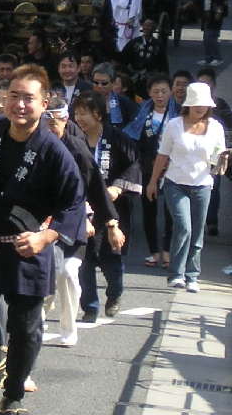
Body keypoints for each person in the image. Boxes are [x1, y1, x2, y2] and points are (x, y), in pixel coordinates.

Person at [0, 64, 85, 414]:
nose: (20, 105)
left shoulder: (53, 151)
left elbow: (73, 204)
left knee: (26, 329)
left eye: (29, 99)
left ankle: (13, 395)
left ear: (44, 104)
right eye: (14, 97)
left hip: (27, 248)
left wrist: (47, 237)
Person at [44, 95, 118, 346]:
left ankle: (68, 327)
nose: (48, 128)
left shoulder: (77, 149)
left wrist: (108, 223)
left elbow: (95, 188)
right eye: (44, 123)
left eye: (53, 122)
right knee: (44, 274)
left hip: (74, 219)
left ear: (65, 119)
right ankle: (36, 319)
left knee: (66, 272)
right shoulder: (34, 146)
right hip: (40, 221)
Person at [146, 83, 229, 293]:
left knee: (197, 231)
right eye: (196, 104)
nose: (200, 108)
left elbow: (218, 157)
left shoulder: (216, 127)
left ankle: (192, 275)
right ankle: (176, 273)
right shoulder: (174, 125)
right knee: (184, 227)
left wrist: (224, 159)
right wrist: (153, 181)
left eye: (204, 104)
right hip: (175, 183)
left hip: (202, 184)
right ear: (188, 104)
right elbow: (162, 155)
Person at [73, 92, 138, 323]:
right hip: (83, 207)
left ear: (98, 115)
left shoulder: (117, 138)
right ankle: (90, 306)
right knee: (84, 260)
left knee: (112, 258)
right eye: (76, 113)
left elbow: (133, 165)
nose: (79, 118)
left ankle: (115, 294)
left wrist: (118, 188)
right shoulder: (74, 140)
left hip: (113, 208)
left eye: (84, 113)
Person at [123, 74, 178, 269]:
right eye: (156, 92)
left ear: (170, 92)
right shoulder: (142, 114)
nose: (160, 95)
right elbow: (134, 141)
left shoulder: (178, 114)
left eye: (164, 91)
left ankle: (168, 250)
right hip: (147, 168)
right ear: (149, 94)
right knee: (149, 211)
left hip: (173, 168)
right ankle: (154, 251)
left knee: (171, 211)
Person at [196, 68, 232, 237]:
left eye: (207, 83)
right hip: (195, 154)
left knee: (213, 186)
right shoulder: (191, 106)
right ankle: (195, 222)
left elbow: (231, 128)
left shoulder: (221, 105)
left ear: (214, 85)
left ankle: (211, 221)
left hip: (215, 154)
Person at [190, 0, 230, 66]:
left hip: (215, 13)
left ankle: (217, 58)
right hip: (206, 13)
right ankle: (208, 58)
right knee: (206, 37)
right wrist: (191, 4)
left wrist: (219, 12)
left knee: (212, 36)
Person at [120, 18, 169, 95]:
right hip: (135, 77)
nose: (147, 28)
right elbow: (123, 59)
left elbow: (163, 64)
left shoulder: (158, 45)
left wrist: (165, 80)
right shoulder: (134, 42)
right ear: (142, 27)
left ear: (154, 28)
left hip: (151, 78)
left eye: (150, 26)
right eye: (145, 25)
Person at [91, 62, 138, 129]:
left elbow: (136, 126)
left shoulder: (125, 102)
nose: (99, 86)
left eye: (104, 83)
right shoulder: (86, 100)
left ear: (113, 83)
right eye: (96, 82)